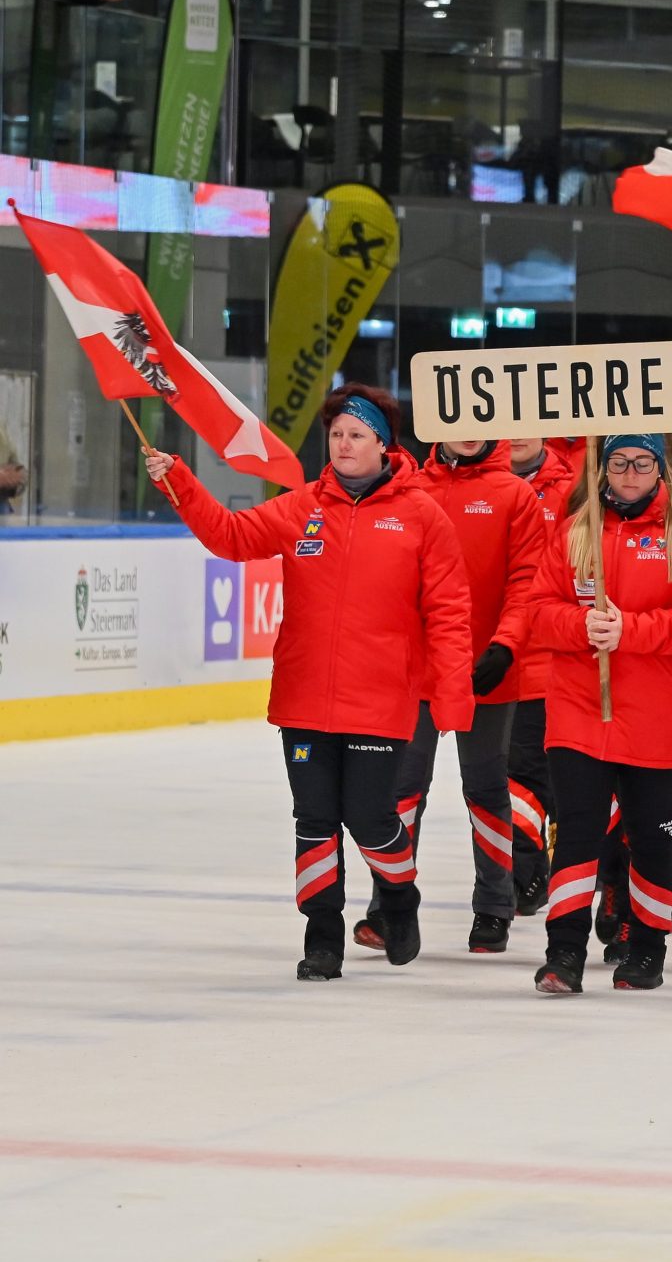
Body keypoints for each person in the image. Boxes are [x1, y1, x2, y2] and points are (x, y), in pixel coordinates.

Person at [145, 384, 472, 980]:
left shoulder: (422, 514)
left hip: (381, 698)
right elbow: (231, 537)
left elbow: (449, 611)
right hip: (304, 697)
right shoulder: (301, 507)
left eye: (357, 435)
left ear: (383, 444)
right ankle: (322, 935)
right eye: (337, 434)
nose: (344, 445)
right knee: (315, 820)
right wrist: (180, 483)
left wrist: (452, 693)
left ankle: (399, 899)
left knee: (372, 820)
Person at [526, 434, 672, 994]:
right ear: (604, 469)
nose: (631, 473)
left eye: (642, 462)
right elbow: (539, 609)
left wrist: (631, 631)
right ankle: (563, 953)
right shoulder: (575, 531)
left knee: (652, 839)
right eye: (619, 463)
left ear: (660, 468)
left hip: (657, 717)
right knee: (576, 836)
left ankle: (646, 949)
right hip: (579, 711)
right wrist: (578, 626)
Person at [354, 432, 547, 958]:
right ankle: (388, 905)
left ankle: (493, 906)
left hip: (487, 668)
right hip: (415, 671)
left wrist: (507, 644)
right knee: (402, 788)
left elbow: (528, 580)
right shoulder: (409, 488)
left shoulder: (514, 494)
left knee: (486, 788)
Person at [503, 436, 577, 913]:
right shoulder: (480, 486)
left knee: (531, 773)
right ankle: (521, 873)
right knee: (505, 776)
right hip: (494, 659)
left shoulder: (572, 491)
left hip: (552, 659)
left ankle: (529, 873)